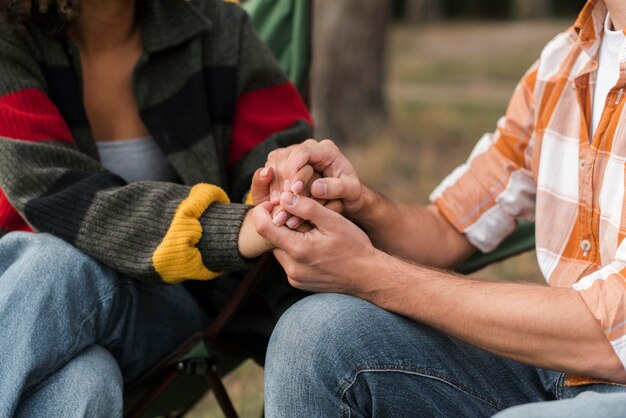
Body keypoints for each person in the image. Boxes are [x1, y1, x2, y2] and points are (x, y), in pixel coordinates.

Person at [252, 0, 626, 416]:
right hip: (554, 367)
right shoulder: (563, 64)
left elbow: (613, 332)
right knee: (312, 335)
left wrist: (370, 274)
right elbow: (449, 227)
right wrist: (355, 203)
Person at [0, 0, 312, 415]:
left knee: (57, 262)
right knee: (85, 384)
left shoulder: (218, 31)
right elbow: (58, 193)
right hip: (14, 294)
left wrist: (283, 186)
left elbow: (281, 163)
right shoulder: (8, 39)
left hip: (163, 312)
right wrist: (227, 228)